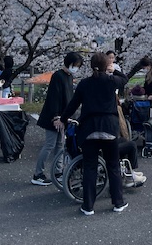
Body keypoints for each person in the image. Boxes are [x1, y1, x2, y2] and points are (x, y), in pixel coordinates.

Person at [58, 52, 129, 215]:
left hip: (89, 129)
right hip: (109, 129)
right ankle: (118, 202)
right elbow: (124, 79)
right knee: (113, 166)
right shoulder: (111, 81)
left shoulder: (84, 84)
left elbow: (73, 104)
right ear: (106, 65)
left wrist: (63, 119)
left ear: (91, 66)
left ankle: (88, 206)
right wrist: (113, 70)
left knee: (90, 167)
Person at [31, 51, 84, 186]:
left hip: (63, 117)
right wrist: (56, 117)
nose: (76, 68)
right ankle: (38, 174)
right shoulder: (58, 76)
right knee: (50, 145)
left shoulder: (68, 76)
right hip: (54, 117)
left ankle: (58, 172)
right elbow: (53, 97)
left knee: (60, 145)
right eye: (76, 65)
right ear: (69, 63)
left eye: (78, 66)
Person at [117, 103, 147, 188]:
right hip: (106, 145)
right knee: (132, 145)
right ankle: (130, 174)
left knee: (123, 140)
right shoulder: (115, 109)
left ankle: (128, 170)